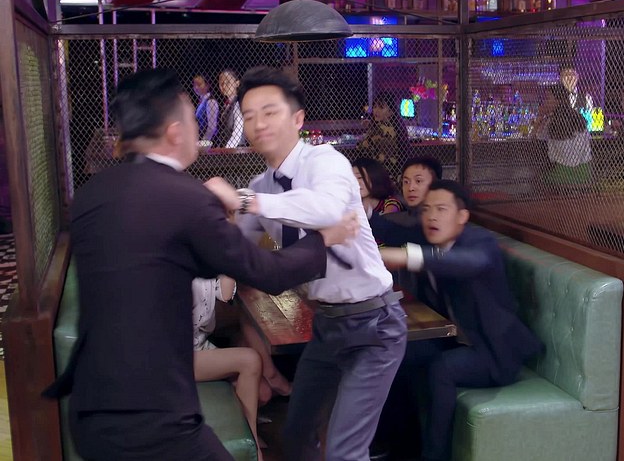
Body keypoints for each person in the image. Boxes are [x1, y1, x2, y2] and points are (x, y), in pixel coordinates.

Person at [43, 68, 357, 460]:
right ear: (175, 132)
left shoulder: (93, 194)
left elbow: (167, 261)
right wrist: (324, 239)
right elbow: (269, 274)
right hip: (153, 415)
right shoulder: (186, 197)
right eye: (193, 120)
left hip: (89, 406)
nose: (197, 130)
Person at [229, 66, 407, 461]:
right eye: (249, 115)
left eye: (269, 112)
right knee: (295, 437)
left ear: (298, 119)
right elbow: (233, 250)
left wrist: (246, 201)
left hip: (374, 324)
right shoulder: (261, 187)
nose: (258, 124)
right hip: (327, 325)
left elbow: (326, 209)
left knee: (344, 453)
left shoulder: (324, 161)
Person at [380, 180, 543, 461]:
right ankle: (398, 446)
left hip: (494, 351)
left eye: (441, 209)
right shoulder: (428, 238)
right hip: (452, 338)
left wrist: (408, 256)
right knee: (393, 352)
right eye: (427, 209)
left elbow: (468, 263)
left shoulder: (480, 244)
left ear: (462, 216)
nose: (432, 216)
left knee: (442, 368)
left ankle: (434, 456)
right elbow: (386, 229)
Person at [191, 275, 266, 461]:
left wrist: (225, 262)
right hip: (175, 356)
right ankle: (254, 449)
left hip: (199, 345)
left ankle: (244, 441)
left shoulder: (205, 265)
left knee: (263, 392)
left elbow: (225, 295)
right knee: (250, 360)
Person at [368, 156, 442, 248]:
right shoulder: (394, 218)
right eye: (406, 182)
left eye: (418, 181)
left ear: (436, 184)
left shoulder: (442, 222)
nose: (410, 188)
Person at [541, 84, 592, 184]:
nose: (544, 102)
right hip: (584, 172)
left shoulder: (551, 122)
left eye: (548, 98)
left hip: (562, 172)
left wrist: (540, 116)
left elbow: (535, 137)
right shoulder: (579, 119)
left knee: (538, 178)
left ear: (558, 101)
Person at [357, 92, 410, 173]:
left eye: (381, 107)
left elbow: (362, 146)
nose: (376, 110)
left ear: (391, 112)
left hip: (381, 171)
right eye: (375, 107)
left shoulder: (385, 129)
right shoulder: (396, 126)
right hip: (392, 169)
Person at [214, 69, 246, 148]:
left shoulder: (238, 103)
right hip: (227, 149)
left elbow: (237, 133)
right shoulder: (225, 105)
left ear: (237, 83)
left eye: (228, 82)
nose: (224, 86)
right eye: (221, 83)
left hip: (236, 149)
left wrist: (226, 150)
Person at [193, 75, 219, 143]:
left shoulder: (211, 101)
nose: (196, 87)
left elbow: (212, 127)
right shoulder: (202, 102)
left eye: (199, 84)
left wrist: (204, 142)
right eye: (194, 85)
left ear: (207, 85)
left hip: (209, 142)